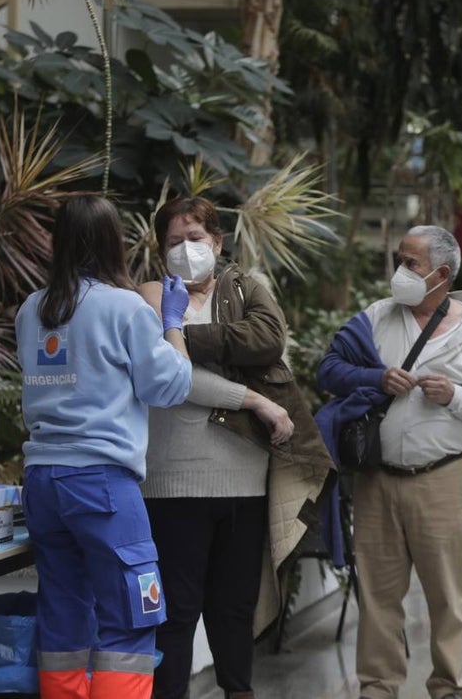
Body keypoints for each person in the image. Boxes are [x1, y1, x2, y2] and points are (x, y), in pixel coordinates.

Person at [138, 196, 334, 699]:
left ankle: (238, 692)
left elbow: (267, 341)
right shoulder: (149, 296)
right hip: (171, 484)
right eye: (175, 241)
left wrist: (186, 334)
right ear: (160, 250)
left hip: (244, 481)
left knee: (234, 608)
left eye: (196, 238)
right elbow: (173, 376)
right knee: (175, 614)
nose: (186, 249)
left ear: (218, 241)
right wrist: (253, 398)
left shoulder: (246, 287)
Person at [316, 225, 462, 699]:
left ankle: (449, 685)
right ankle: (378, 686)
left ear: (442, 274)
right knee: (377, 595)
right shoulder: (376, 317)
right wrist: (374, 376)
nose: (400, 272)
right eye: (399, 260)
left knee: (447, 596)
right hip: (378, 480)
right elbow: (329, 367)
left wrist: (456, 396)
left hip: (443, 479)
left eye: (411, 264)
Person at [16, 195, 193, 699]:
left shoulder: (32, 309)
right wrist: (172, 324)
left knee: (63, 618)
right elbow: (170, 387)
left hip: (43, 482)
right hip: (101, 485)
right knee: (130, 620)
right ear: (112, 241)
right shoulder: (125, 307)